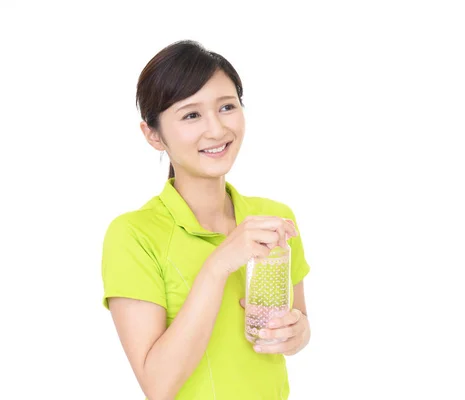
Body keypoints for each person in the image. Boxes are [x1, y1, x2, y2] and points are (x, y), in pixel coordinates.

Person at [101, 40, 311, 400]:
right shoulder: (133, 235)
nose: (216, 130)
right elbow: (158, 385)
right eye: (191, 115)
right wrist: (218, 266)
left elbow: (297, 327)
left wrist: (297, 334)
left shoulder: (274, 219)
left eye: (227, 107)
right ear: (153, 134)